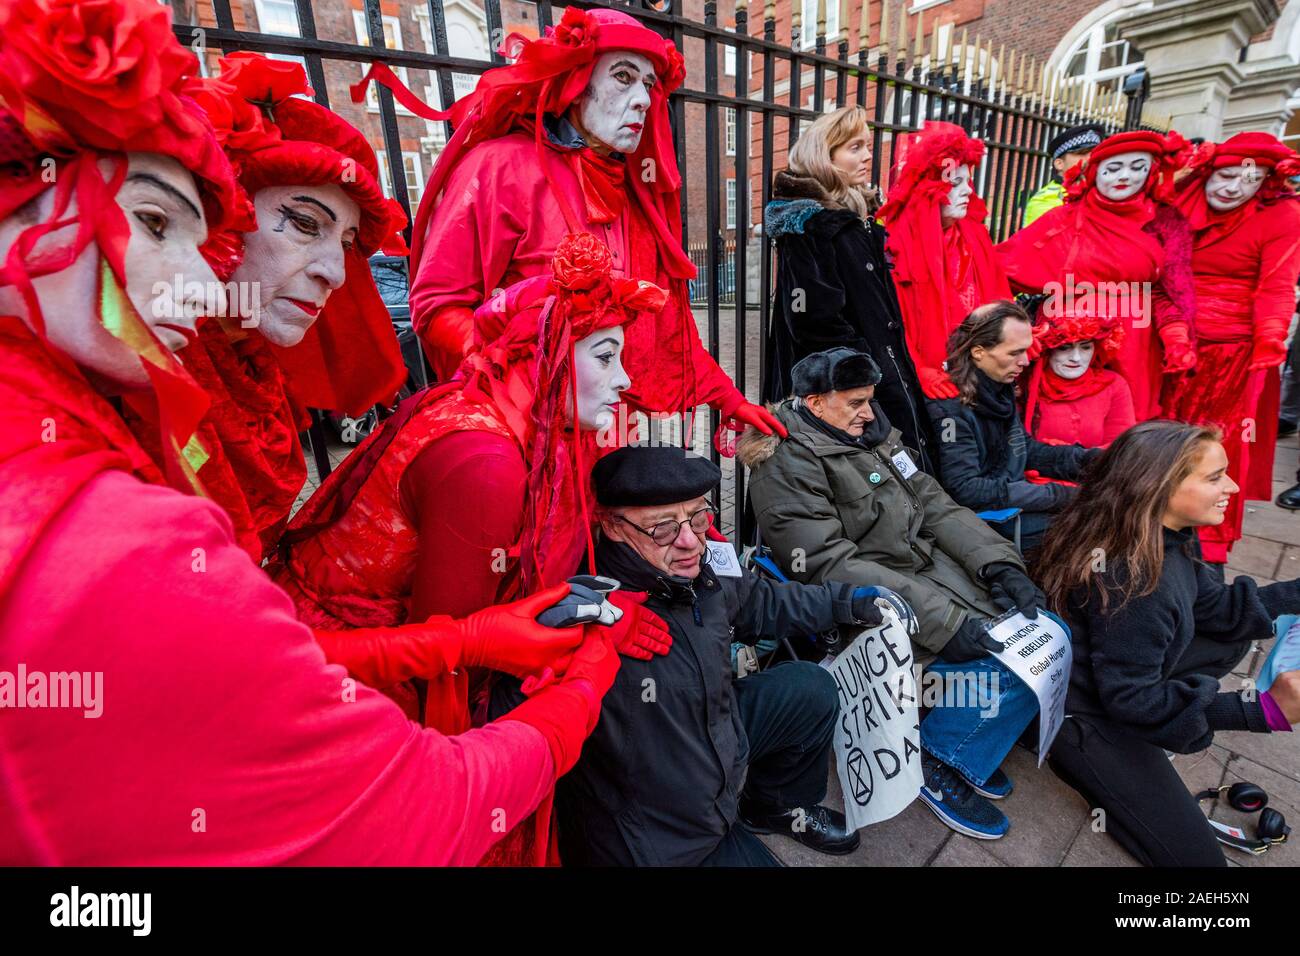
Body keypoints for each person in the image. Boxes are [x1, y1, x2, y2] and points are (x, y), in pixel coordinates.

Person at [0, 0, 616, 866]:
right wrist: (581, 681)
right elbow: (412, 807)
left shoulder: (233, 396)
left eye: (351, 242)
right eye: (153, 222)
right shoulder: (102, 506)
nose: (334, 271)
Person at [367, 5, 783, 442]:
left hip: (607, 431)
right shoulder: (501, 168)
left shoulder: (634, 194)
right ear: (576, 84)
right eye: (623, 77)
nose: (642, 98)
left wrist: (729, 399)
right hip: (525, 431)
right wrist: (508, 357)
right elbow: (436, 306)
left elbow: (665, 326)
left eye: (648, 84)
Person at [740, 348, 1043, 840]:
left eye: (870, 400)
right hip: (870, 601)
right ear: (815, 404)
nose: (870, 412)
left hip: (925, 574)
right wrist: (945, 621)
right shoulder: (786, 464)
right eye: (857, 402)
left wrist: (998, 564)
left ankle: (961, 743)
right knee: (1003, 664)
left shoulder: (872, 436)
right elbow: (827, 563)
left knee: (1035, 632)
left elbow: (937, 506)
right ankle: (938, 762)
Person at [530, 444, 879, 865]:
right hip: (664, 834)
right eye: (661, 528)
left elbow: (762, 601)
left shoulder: (695, 570)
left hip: (712, 735)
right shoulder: (584, 617)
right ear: (613, 527)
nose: (689, 540)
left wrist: (847, 602)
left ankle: (774, 805)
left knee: (810, 687)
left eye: (698, 516)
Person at [125, 52, 410, 562]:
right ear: (218, 216)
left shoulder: (255, 370)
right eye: (304, 224)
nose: (336, 274)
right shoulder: (138, 375)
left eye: (346, 243)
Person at [1037, 420, 1300, 867]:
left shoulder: (1160, 531)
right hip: (1089, 721)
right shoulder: (1135, 581)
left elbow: (1216, 608)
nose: (1233, 487)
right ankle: (1116, 787)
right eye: (1215, 477)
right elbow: (1132, 699)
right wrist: (1261, 710)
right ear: (1156, 486)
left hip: (1117, 680)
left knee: (1230, 639)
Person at [761, 105, 935, 472]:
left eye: (867, 146)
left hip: (879, 375)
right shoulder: (811, 224)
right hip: (849, 388)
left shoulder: (857, 219)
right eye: (854, 147)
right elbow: (814, 321)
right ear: (825, 156)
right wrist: (865, 376)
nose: (868, 155)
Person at [1160, 133, 1300, 565]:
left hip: (1233, 355)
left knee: (1221, 443)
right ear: (1208, 170)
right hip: (1167, 342)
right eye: (1225, 174)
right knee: (1161, 436)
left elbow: (1276, 286)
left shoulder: (1283, 216)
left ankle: (1209, 542)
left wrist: (1269, 340)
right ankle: (1153, 515)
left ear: (1265, 184)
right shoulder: (1179, 201)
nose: (1233, 187)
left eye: (1250, 179)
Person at [996, 130, 1195, 422]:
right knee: (1066, 419)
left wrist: (1176, 335)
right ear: (1094, 173)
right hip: (1069, 337)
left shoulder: (1164, 221)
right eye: (1113, 169)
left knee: (1127, 420)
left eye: (1137, 168)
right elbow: (1002, 266)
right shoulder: (1062, 219)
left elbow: (1171, 287)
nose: (1124, 176)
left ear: (1151, 173)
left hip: (1135, 340)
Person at [927, 302, 1095, 553]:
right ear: (978, 352)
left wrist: (1091, 461)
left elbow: (1023, 449)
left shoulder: (998, 389)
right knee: (1097, 525)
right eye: (1015, 353)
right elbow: (964, 488)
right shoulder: (949, 413)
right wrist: (1058, 495)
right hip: (984, 525)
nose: (1025, 361)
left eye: (1026, 351)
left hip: (1010, 508)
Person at [878, 120, 1012, 400]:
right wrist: (917, 368)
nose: (967, 192)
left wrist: (1013, 341)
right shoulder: (898, 245)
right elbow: (889, 321)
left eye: (968, 181)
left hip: (982, 372)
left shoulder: (974, 236)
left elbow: (998, 295)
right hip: (931, 386)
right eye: (955, 183)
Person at [1023, 303, 1135, 447]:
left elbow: (1119, 448)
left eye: (1086, 347)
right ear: (1046, 350)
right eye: (1064, 347)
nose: (1076, 358)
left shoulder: (1114, 385)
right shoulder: (1023, 384)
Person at [1021, 123, 1104, 227]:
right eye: (1082, 153)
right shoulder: (1045, 200)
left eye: (1094, 153)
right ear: (1059, 164)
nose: (1090, 159)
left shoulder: (1100, 193)